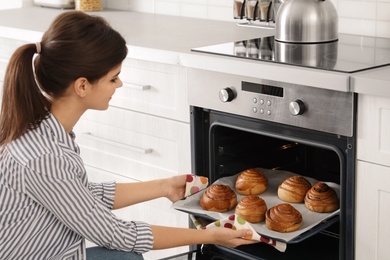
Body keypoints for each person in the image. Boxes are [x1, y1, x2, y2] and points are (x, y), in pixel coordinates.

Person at [0, 11, 258, 259]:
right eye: (114, 78)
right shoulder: (44, 156)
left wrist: (163, 186)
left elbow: (80, 197)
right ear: (82, 86)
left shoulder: (42, 131)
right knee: (126, 255)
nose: (119, 84)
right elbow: (116, 235)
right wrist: (212, 236)